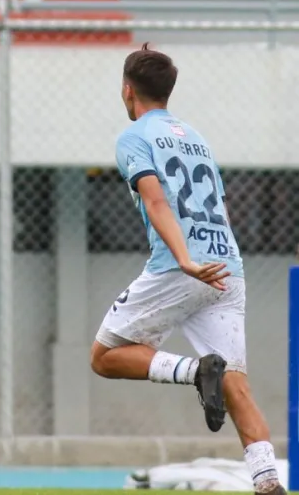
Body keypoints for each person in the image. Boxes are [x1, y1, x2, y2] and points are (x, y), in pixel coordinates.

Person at [89, 43, 285, 495]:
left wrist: (183, 260)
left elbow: (157, 200)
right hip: (227, 266)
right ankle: (268, 482)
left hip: (184, 267)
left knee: (106, 356)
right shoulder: (197, 138)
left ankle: (195, 372)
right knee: (236, 383)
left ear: (127, 90)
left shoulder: (134, 137)